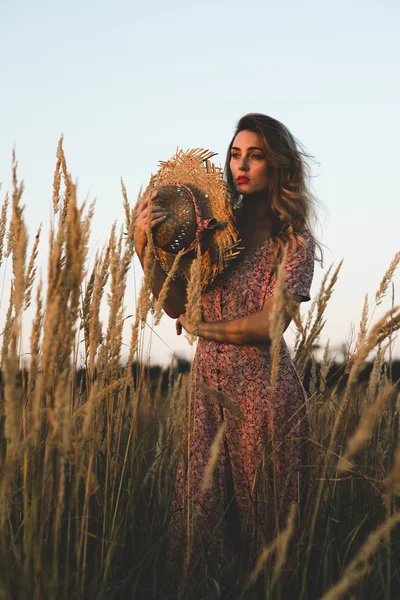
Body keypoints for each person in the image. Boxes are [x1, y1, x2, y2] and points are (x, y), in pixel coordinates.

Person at [134, 113, 320, 591]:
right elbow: (175, 303)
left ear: (278, 166)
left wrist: (203, 327)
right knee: (201, 531)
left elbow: (270, 325)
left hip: (265, 398)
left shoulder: (293, 240)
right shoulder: (215, 233)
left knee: (268, 538)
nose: (241, 165)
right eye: (235, 154)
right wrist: (143, 249)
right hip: (206, 396)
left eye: (255, 156)